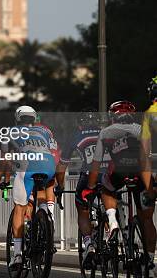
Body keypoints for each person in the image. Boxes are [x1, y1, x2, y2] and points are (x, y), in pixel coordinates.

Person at [84, 101, 156, 276]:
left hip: (118, 172)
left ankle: (113, 221)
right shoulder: (140, 128)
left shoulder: (106, 132)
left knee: (106, 188)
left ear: (112, 116)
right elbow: (146, 156)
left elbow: (96, 163)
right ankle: (149, 259)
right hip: (140, 172)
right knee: (147, 219)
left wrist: (91, 186)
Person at [0, 106, 57, 269]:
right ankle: (47, 224)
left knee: (19, 209)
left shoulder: (9, 132)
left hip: (28, 168)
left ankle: (18, 255)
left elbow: (5, 159)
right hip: (49, 166)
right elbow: (55, 152)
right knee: (42, 195)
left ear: (17, 119)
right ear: (34, 119)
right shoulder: (45, 131)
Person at [55, 110, 105, 267]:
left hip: (89, 175)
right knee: (110, 202)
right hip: (108, 175)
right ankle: (112, 230)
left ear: (79, 123)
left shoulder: (76, 135)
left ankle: (89, 244)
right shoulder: (106, 132)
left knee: (82, 208)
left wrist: (61, 186)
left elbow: (62, 165)